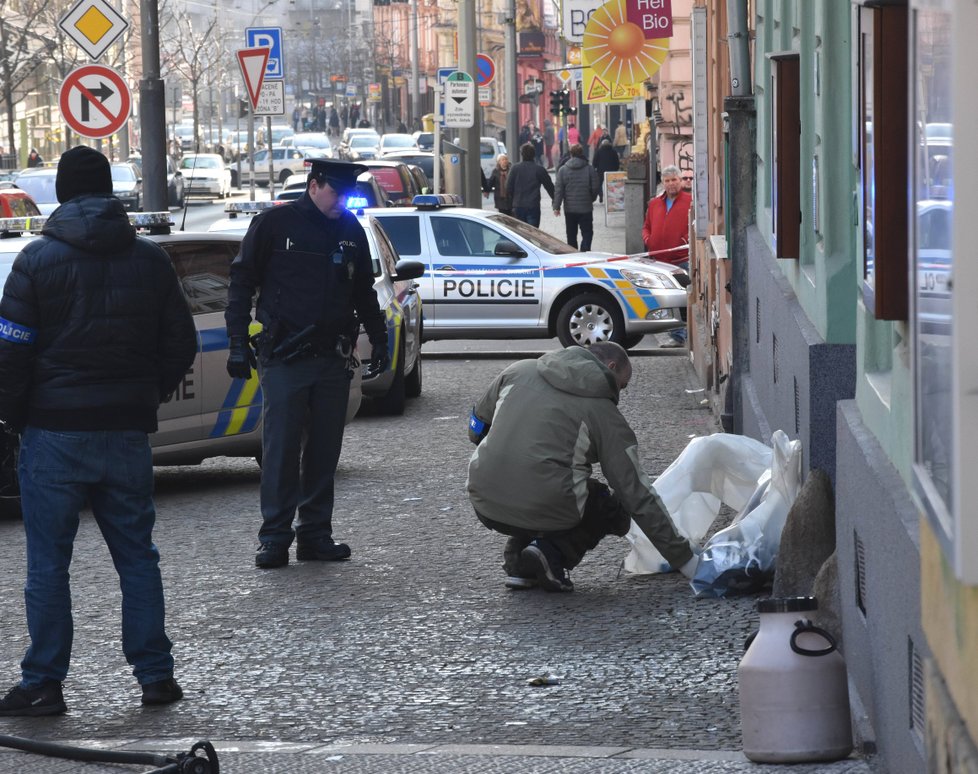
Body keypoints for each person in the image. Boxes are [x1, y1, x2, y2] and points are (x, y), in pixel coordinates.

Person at [0, 146, 197, 715]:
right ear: (110, 191)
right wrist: (143, 396)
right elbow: (180, 343)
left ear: (60, 194)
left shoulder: (35, 262)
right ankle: (156, 676)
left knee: (47, 565)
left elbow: (11, 355)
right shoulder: (150, 260)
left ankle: (43, 684)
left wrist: (15, 416)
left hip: (54, 433)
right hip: (126, 432)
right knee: (137, 558)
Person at [225, 159, 388, 570]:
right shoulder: (274, 226)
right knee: (280, 451)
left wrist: (379, 338)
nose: (341, 203)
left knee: (323, 452)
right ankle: (274, 538)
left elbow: (364, 291)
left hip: (332, 358)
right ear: (314, 186)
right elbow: (240, 284)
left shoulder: (349, 229)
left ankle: (315, 535)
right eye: (336, 194)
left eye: (348, 196)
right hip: (284, 358)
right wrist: (236, 344)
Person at [467, 342, 697, 592]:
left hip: (483, 500)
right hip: (543, 503)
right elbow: (635, 493)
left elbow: (475, 429)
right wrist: (684, 559)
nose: (620, 392)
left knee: (545, 480)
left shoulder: (517, 371)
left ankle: (520, 563)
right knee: (608, 506)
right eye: (623, 384)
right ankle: (551, 553)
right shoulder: (603, 413)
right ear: (610, 368)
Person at [642, 164, 692, 347]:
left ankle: (679, 336)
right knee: (663, 298)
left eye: (674, 180)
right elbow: (646, 226)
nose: (671, 184)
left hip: (680, 260)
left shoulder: (689, 201)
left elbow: (693, 225)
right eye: (667, 180)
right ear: (662, 182)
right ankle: (673, 333)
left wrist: (684, 240)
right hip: (658, 260)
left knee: (680, 298)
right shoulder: (655, 203)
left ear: (680, 181)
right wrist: (648, 238)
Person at [553, 144, 599, 251]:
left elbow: (559, 190)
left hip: (570, 209)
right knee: (587, 232)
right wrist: (591, 198)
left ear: (571, 154)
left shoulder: (563, 170)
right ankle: (585, 250)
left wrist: (556, 206)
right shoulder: (589, 169)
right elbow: (595, 187)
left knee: (571, 234)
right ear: (581, 153)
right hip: (586, 208)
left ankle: (574, 255)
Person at [506, 142, 555, 227]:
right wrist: (555, 201)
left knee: (519, 234)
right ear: (534, 155)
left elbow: (508, 187)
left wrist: (512, 202)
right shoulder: (539, 169)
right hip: (533, 205)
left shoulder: (515, 168)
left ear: (522, 154)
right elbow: (549, 187)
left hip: (518, 205)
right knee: (532, 234)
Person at [592, 137, 621, 204]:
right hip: (611, 171)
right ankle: (611, 197)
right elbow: (617, 162)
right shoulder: (613, 151)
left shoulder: (599, 151)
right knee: (611, 184)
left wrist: (595, 168)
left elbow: (594, 161)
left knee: (599, 184)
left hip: (601, 171)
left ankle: (601, 195)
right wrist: (616, 169)